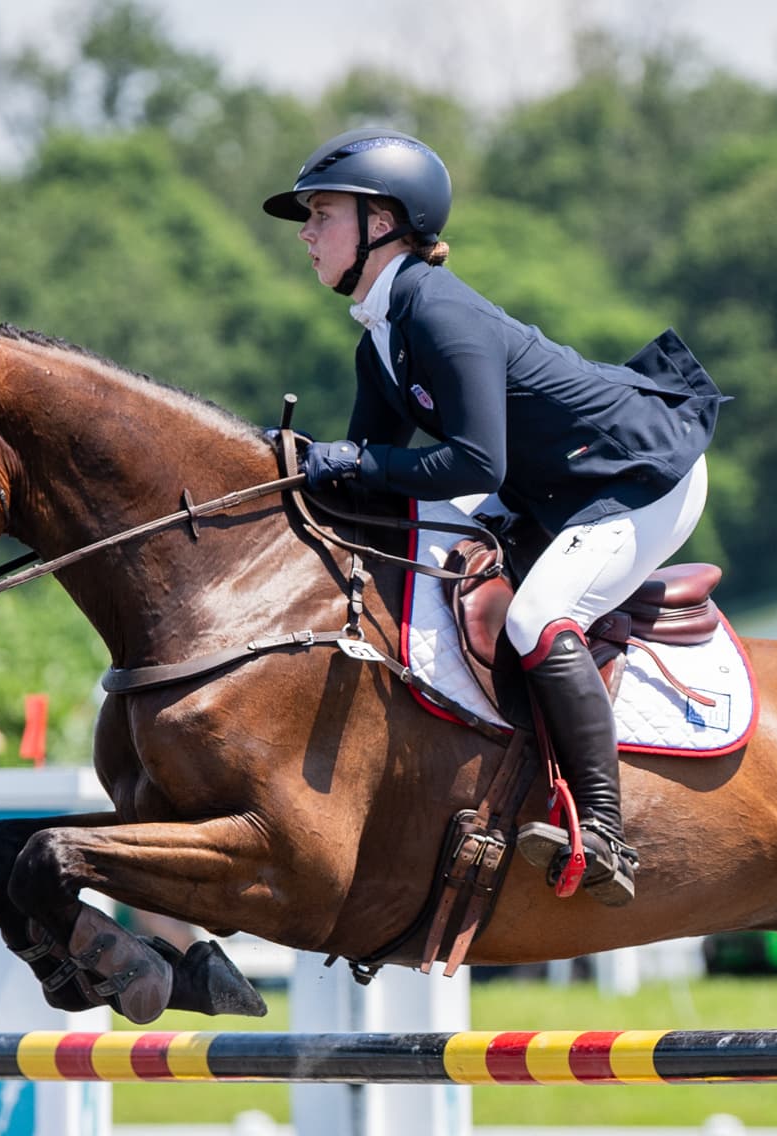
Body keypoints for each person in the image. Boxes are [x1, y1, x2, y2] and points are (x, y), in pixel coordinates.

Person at [264, 129, 725, 905]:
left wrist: (356, 461)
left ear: (383, 222)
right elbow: (372, 482)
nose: (306, 233)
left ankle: (604, 830)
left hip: (640, 474)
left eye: (322, 214)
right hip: (553, 486)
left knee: (536, 617)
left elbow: (475, 464)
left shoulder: (439, 312)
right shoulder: (381, 339)